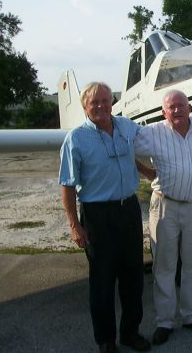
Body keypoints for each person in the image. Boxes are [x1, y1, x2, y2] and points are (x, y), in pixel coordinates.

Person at [59, 82, 151, 353]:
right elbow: (66, 184)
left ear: (113, 102)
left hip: (128, 209)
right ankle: (106, 340)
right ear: (85, 107)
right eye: (94, 102)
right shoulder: (75, 138)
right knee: (102, 280)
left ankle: (130, 332)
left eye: (104, 100)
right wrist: (74, 225)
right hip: (98, 214)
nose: (100, 106)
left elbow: (126, 154)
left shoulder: (126, 126)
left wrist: (146, 170)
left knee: (133, 275)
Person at [134, 89, 192, 346]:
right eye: (171, 107)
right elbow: (124, 144)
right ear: (164, 112)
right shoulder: (153, 132)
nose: (176, 111)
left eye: (180, 106)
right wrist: (145, 171)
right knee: (165, 264)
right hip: (165, 206)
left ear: (189, 107)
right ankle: (164, 321)